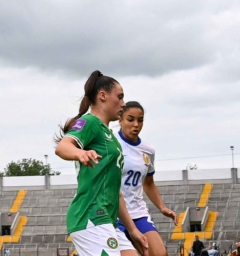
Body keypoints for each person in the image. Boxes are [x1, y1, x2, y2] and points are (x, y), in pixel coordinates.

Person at [55, 71, 143, 256]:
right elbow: (63, 146)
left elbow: (115, 192)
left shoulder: (111, 137)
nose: (123, 103)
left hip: (107, 220)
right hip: (90, 216)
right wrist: (80, 153)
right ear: (102, 95)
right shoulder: (89, 121)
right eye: (119, 97)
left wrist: (133, 230)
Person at [116, 101, 177, 256]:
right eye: (130, 119)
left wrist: (162, 207)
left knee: (160, 253)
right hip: (114, 213)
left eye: (140, 120)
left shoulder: (148, 150)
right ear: (120, 119)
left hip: (138, 212)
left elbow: (148, 183)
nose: (136, 124)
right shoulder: (111, 144)